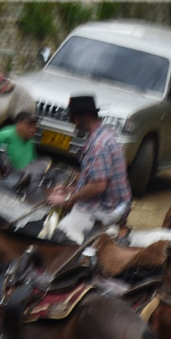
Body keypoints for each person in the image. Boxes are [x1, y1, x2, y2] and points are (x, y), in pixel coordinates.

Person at [47, 95, 132, 242]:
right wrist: (69, 190)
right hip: (115, 203)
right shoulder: (106, 135)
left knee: (56, 237)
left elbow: (98, 186)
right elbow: (98, 182)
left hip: (104, 210)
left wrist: (68, 201)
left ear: (84, 117)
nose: (72, 123)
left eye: (73, 118)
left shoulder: (98, 145)